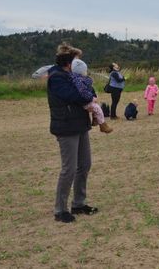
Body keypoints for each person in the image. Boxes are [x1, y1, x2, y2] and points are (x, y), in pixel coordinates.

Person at [48, 43, 99, 223]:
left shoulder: (74, 77)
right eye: (77, 61)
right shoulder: (57, 78)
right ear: (68, 62)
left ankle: (78, 203)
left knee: (84, 164)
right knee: (69, 169)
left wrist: (89, 94)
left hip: (80, 124)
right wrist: (89, 97)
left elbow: (89, 91)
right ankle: (60, 210)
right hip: (66, 126)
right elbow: (76, 96)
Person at [71, 59, 112, 134]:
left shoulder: (79, 79)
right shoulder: (79, 80)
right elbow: (83, 92)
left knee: (96, 108)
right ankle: (102, 125)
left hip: (86, 100)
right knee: (98, 109)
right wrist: (91, 98)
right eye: (85, 70)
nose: (86, 72)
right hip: (85, 101)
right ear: (81, 71)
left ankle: (95, 119)